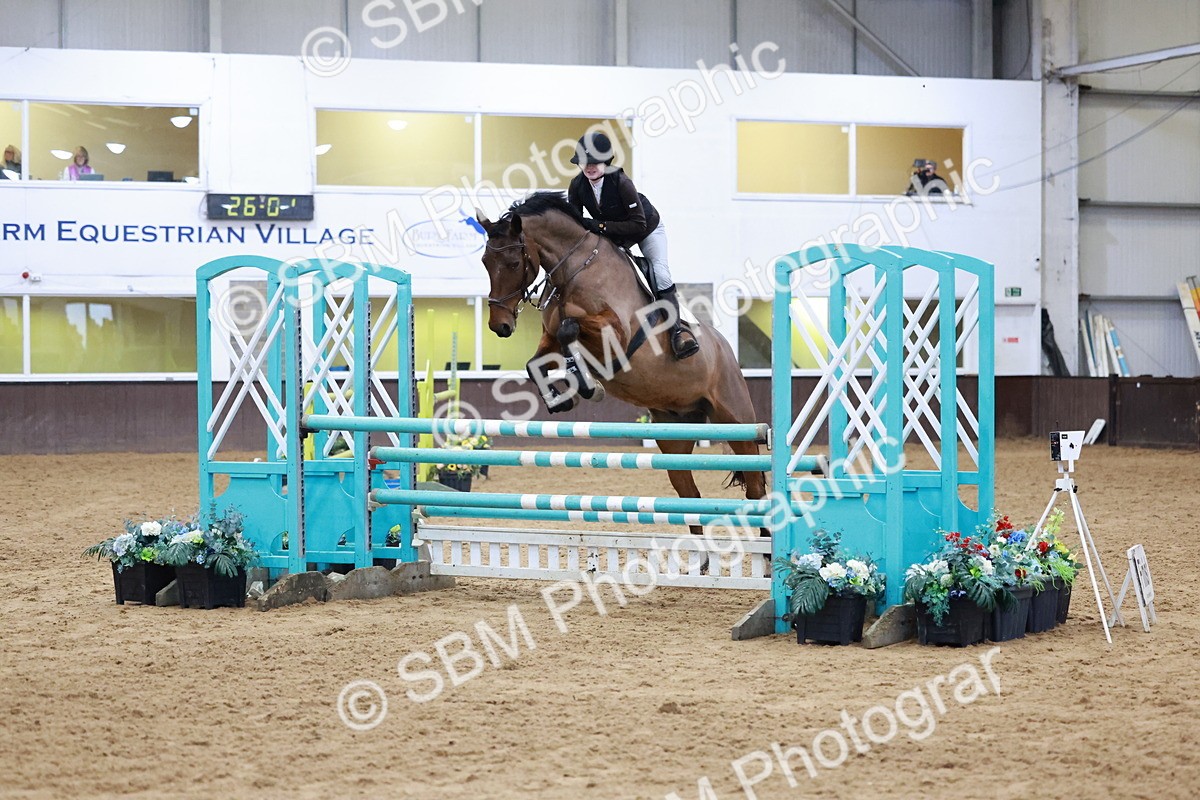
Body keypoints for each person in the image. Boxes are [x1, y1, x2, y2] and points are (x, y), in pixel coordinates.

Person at [566, 131, 698, 360]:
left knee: (661, 273)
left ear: (606, 161)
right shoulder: (578, 185)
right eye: (584, 163)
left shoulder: (621, 182)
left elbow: (637, 224)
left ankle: (678, 332)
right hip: (616, 234)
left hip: (646, 228)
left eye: (594, 162)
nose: (588, 167)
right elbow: (576, 224)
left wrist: (599, 226)